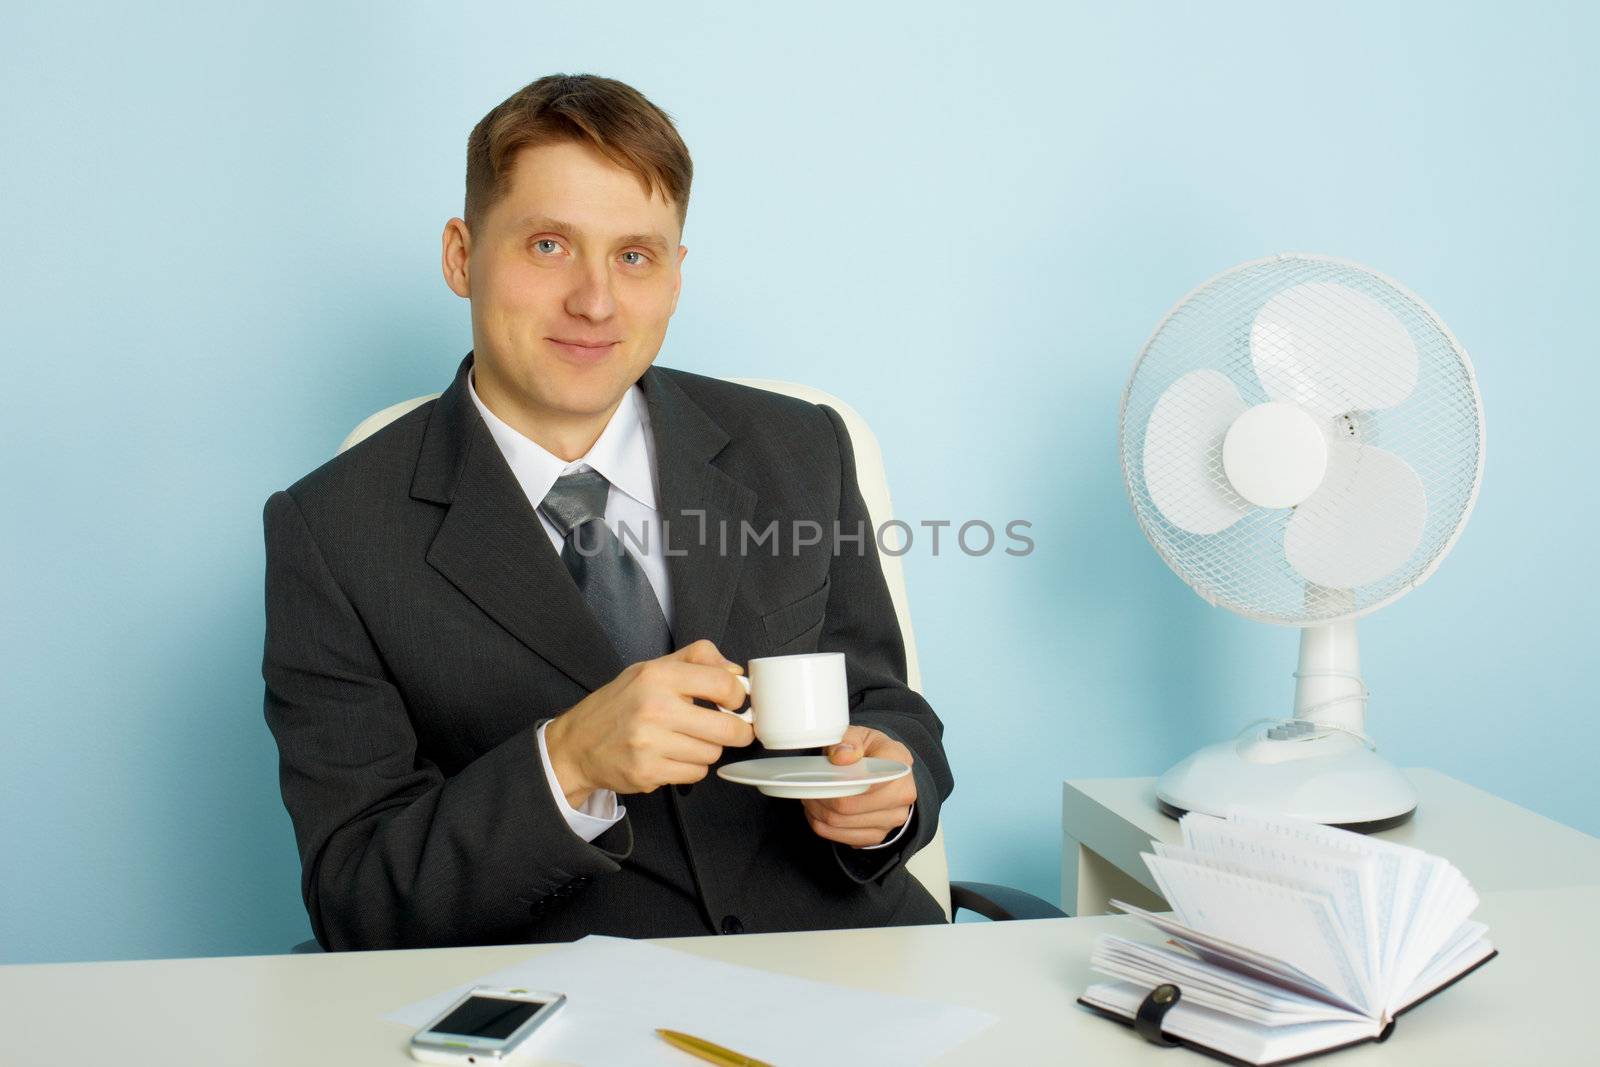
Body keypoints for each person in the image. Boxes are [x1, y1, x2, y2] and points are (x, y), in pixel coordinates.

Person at [262, 73, 953, 950]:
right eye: (548, 245)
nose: (595, 301)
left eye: (635, 256)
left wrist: (891, 789)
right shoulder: (330, 533)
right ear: (460, 255)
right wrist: (569, 762)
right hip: (564, 1008)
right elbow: (357, 898)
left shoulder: (802, 446)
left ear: (674, 277)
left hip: (848, 967)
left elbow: (889, 705)